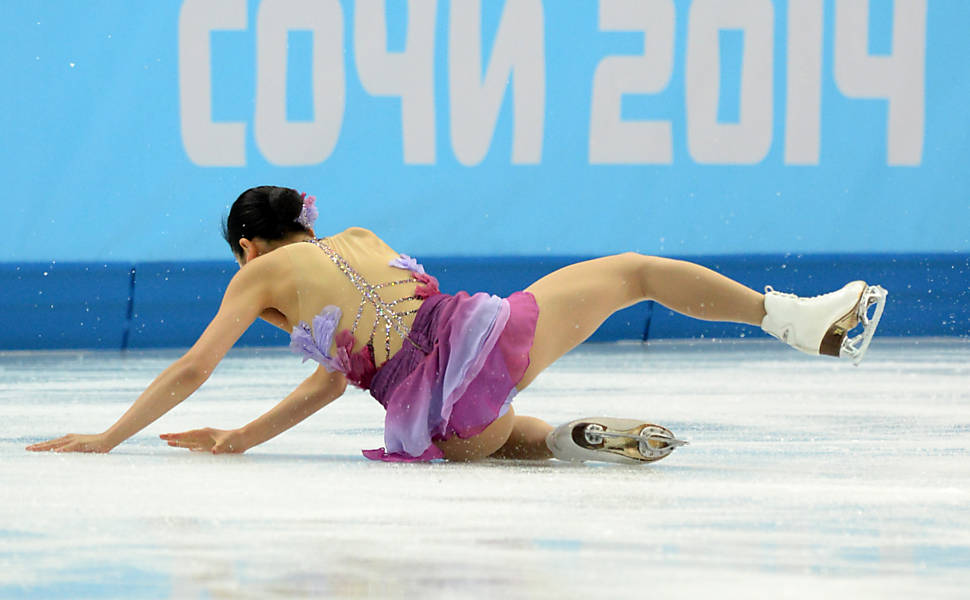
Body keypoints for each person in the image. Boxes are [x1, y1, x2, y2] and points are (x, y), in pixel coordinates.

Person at [26, 186, 887, 464]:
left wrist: (108, 439)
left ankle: (568, 442)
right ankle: (794, 319)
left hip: (439, 415)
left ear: (248, 246)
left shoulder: (258, 281)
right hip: (489, 335)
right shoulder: (355, 239)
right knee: (635, 275)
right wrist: (247, 437)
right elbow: (360, 355)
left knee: (493, 440)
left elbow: (195, 368)